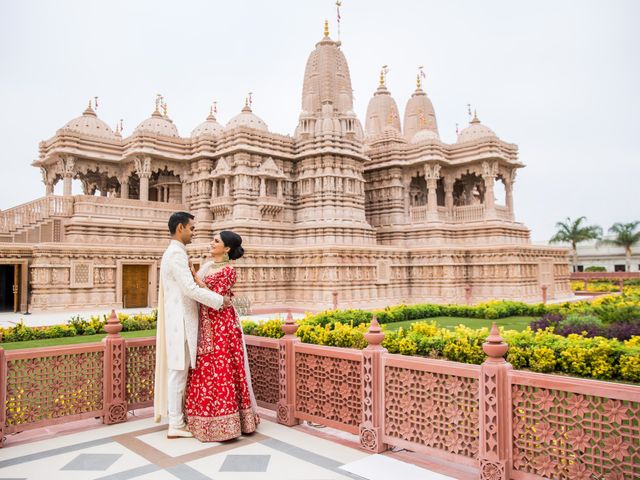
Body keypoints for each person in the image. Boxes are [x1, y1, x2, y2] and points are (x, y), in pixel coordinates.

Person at [154, 212, 231, 439]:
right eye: (191, 228)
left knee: (178, 371)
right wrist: (219, 300)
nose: (193, 232)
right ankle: (175, 424)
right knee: (178, 372)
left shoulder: (177, 253)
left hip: (180, 320)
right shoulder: (176, 255)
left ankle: (178, 419)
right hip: (181, 321)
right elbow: (189, 289)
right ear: (180, 228)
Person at [185, 230, 259, 442]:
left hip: (221, 325)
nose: (211, 243)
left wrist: (193, 277)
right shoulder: (208, 266)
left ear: (227, 248)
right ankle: (202, 420)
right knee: (205, 367)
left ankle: (228, 423)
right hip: (206, 322)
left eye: (216, 241)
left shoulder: (229, 270)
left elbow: (213, 297)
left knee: (222, 367)